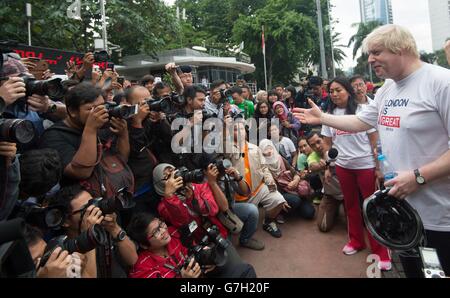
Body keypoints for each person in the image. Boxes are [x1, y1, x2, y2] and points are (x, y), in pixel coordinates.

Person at [294, 24, 450, 277]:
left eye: (376, 52)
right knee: (414, 272)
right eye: (369, 53)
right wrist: (322, 117)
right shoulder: (388, 88)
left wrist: (419, 176)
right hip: (401, 210)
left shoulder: (442, 83)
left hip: (440, 216)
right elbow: (361, 122)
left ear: (400, 48)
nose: (370, 59)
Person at [322, 77, 390, 270]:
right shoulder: (329, 115)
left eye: (338, 90)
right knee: (351, 206)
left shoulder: (363, 112)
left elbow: (375, 143)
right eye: (331, 91)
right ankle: (356, 241)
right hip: (344, 167)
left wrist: (378, 168)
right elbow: (327, 143)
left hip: (366, 166)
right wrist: (329, 161)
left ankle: (382, 251)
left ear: (348, 91)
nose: (334, 94)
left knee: (372, 208)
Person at [127, 213, 257, 278]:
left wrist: (206, 259)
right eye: (156, 232)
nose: (163, 231)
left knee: (245, 270)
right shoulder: (142, 268)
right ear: (144, 245)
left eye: (161, 224)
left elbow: (193, 250)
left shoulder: (174, 233)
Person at [56, 184, 138, 278]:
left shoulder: (103, 229)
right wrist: (88, 236)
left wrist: (115, 229)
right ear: (65, 221)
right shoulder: (64, 253)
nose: (95, 210)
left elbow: (133, 260)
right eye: (86, 209)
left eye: (93, 203)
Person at [228, 122, 289, 238]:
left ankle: (268, 222)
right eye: (236, 129)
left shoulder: (255, 148)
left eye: (242, 129)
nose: (240, 131)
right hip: (238, 196)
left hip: (258, 189)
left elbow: (264, 168)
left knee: (279, 200)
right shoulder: (228, 150)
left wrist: (271, 185)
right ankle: (249, 218)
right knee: (238, 226)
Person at [259, 140, 315, 223]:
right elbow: (270, 189)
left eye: (270, 148)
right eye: (265, 150)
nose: (269, 152)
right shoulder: (262, 166)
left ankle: (293, 208)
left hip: (294, 189)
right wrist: (280, 198)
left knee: (310, 213)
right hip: (279, 194)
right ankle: (280, 212)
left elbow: (294, 172)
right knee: (295, 200)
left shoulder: (279, 158)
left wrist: (296, 180)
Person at [306, 132, 343, 232]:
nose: (317, 146)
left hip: (348, 193)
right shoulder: (312, 156)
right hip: (330, 195)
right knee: (323, 226)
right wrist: (322, 166)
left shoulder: (337, 149)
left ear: (324, 139)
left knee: (360, 223)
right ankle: (333, 208)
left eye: (318, 142)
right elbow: (312, 166)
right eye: (312, 145)